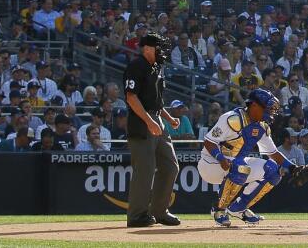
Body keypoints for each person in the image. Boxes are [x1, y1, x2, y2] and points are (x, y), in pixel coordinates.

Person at [198, 89, 290, 227]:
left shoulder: (262, 126)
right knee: (240, 166)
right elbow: (209, 142)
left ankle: (238, 208)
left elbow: (273, 153)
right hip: (211, 164)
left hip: (235, 164)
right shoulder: (232, 118)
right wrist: (221, 158)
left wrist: (294, 167)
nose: (270, 112)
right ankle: (219, 209)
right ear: (254, 106)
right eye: (268, 108)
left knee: (273, 170)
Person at [123, 32, 182, 228]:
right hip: (141, 122)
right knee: (145, 170)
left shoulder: (157, 67)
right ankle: (137, 216)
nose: (162, 51)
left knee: (170, 166)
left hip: (157, 119)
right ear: (147, 48)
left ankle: (159, 211)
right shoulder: (136, 66)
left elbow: (156, 101)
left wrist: (168, 118)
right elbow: (131, 97)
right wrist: (149, 121)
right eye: (158, 47)